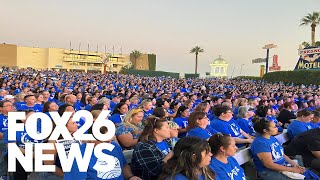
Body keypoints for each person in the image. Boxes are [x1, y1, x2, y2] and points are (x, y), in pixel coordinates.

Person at [64, 125, 141, 180]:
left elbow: (123, 166)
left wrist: (130, 177)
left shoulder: (114, 146)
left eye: (111, 140)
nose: (109, 144)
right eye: (106, 141)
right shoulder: (79, 154)